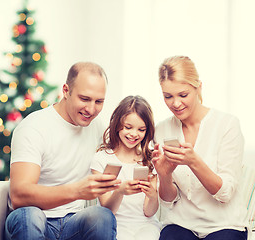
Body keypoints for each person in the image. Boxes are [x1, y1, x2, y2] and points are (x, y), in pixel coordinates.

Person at [5, 62, 121, 240]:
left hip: (73, 222)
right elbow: (19, 195)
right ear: (66, 91)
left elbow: (128, 150)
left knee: (101, 217)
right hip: (35, 219)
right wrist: (77, 191)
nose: (91, 109)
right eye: (84, 99)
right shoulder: (33, 127)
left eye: (99, 101)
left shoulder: (97, 127)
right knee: (28, 216)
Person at [152, 55, 249, 240]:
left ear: (199, 88)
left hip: (224, 225)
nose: (176, 103)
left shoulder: (227, 125)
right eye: (168, 96)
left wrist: (193, 161)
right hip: (181, 223)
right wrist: (164, 175)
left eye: (183, 95)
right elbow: (168, 200)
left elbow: (225, 193)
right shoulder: (162, 130)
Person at [91, 95, 161, 240]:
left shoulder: (149, 160)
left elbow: (149, 212)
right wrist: (120, 192)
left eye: (141, 130)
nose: (134, 134)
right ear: (117, 125)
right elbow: (107, 211)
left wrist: (153, 196)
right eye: (128, 127)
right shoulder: (102, 159)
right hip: (114, 226)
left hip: (145, 226)